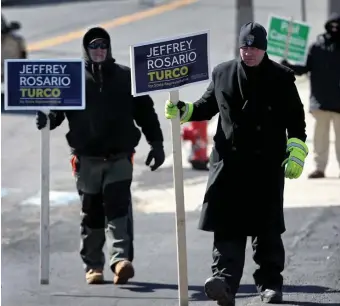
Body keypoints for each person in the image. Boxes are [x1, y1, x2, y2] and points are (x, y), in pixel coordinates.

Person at [165, 22, 308, 305]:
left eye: (254, 47)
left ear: (264, 48)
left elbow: (296, 121)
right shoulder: (222, 73)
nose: (249, 52)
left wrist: (296, 154)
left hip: (265, 166)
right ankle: (224, 283)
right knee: (227, 226)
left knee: (265, 228)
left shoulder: (281, 78)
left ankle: (270, 285)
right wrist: (184, 111)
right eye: (244, 47)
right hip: (228, 166)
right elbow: (206, 107)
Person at [36, 27, 165, 285]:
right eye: (94, 46)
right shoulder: (74, 79)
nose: (99, 50)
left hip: (119, 157)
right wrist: (46, 119)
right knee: (92, 213)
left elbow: (146, 113)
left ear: (109, 49)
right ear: (86, 49)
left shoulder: (126, 77)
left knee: (118, 209)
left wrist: (157, 143)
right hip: (87, 160)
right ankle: (94, 265)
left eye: (103, 46)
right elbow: (58, 115)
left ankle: (120, 261)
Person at [281, 13, 340, 179]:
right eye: (332, 25)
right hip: (320, 101)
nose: (335, 29)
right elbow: (304, 68)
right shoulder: (316, 47)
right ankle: (319, 168)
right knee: (320, 139)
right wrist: (288, 66)